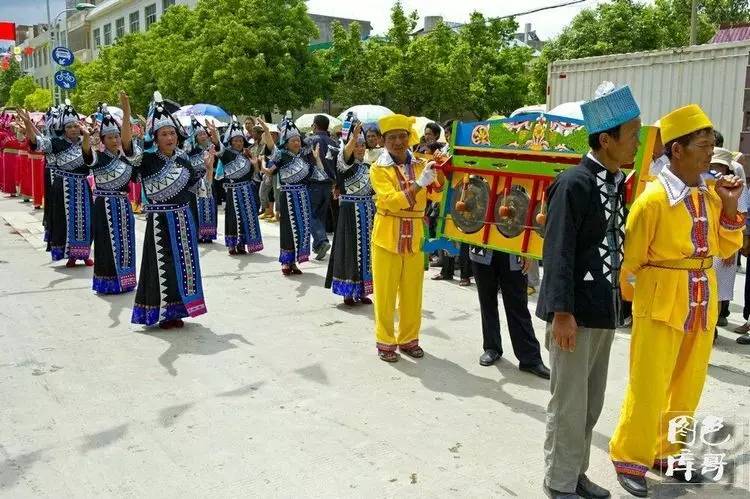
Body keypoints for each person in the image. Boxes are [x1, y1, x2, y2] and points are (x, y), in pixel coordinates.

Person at [609, 105, 744, 497]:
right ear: (677, 150)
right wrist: (638, 300)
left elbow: (728, 245)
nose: (710, 153)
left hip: (701, 298)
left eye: (711, 144)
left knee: (688, 384)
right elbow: (630, 261)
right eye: (702, 145)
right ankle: (629, 455)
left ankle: (666, 452)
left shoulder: (711, 195)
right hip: (660, 298)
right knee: (649, 383)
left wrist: (732, 205)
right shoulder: (652, 200)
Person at [535, 82, 641, 499]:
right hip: (573, 316)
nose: (637, 142)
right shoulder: (572, 184)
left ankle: (575, 474)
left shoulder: (618, 183)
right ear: (606, 139)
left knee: (590, 405)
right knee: (568, 405)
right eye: (632, 134)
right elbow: (557, 252)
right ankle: (558, 483)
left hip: (603, 311)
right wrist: (562, 313)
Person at [370, 114, 444, 362]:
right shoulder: (378, 168)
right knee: (385, 292)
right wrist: (418, 186)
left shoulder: (423, 164)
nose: (398, 142)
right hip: (387, 234)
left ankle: (409, 339)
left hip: (414, 234)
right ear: (383, 141)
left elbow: (435, 197)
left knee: (413, 291)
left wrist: (440, 176)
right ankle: (385, 340)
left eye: (402, 136)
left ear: (410, 137)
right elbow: (389, 200)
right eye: (392, 138)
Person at [131, 92, 207, 329]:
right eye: (164, 133)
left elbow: (194, 185)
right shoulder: (147, 160)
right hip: (160, 221)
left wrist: (206, 169)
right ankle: (162, 313)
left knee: (183, 266)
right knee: (161, 265)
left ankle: (179, 310)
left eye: (172, 133)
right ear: (155, 137)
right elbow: (129, 154)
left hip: (183, 217)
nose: (170, 137)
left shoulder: (183, 158)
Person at [19, 101, 95, 267]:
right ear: (64, 129)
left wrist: (88, 137)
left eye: (76, 126)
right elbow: (37, 142)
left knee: (86, 220)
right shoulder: (56, 143)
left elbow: (92, 159)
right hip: (64, 186)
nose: (74, 129)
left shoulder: (85, 141)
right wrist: (28, 125)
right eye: (69, 127)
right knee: (65, 221)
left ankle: (84, 254)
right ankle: (71, 255)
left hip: (82, 185)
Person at [470, 247, 550, 379]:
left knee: (518, 306)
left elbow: (532, 225)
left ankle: (530, 358)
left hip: (515, 250)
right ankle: (492, 347)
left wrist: (529, 251)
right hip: (481, 249)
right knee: (487, 301)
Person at [89, 94, 140, 294]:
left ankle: (126, 280)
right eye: (109, 137)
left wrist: (126, 111)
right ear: (102, 140)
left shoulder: (127, 158)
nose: (114, 140)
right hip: (103, 205)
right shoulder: (98, 158)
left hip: (123, 205)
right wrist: (86, 138)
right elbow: (87, 155)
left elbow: (129, 144)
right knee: (105, 242)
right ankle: (107, 282)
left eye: (117, 136)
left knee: (125, 240)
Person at [324, 122, 375, 306]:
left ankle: (362, 290)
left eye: (362, 144)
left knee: (367, 251)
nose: (360, 148)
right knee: (349, 249)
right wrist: (352, 138)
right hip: (349, 213)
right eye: (356, 145)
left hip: (368, 212)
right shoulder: (344, 166)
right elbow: (345, 155)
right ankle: (348, 291)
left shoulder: (369, 167)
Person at [266, 117, 320, 275]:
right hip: (288, 195)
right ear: (286, 142)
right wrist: (267, 132)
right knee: (288, 229)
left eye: (298, 140)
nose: (296, 143)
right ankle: (286, 261)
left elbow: (315, 174)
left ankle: (295, 261)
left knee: (302, 228)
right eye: (293, 141)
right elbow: (271, 147)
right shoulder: (282, 155)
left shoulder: (304, 157)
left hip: (303, 195)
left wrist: (316, 159)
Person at [709, 147, 747, 338]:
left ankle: (712, 326)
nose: (717, 169)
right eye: (714, 165)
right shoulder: (702, 182)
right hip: (706, 245)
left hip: (724, 246)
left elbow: (741, 217)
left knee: (716, 291)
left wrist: (732, 250)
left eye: (720, 166)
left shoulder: (736, 187)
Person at [214, 116, 263, 255]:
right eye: (235, 140)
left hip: (247, 190)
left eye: (241, 140)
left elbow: (256, 177)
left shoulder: (248, 155)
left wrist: (255, 165)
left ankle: (242, 244)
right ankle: (231, 244)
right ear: (231, 142)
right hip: (233, 191)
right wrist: (215, 137)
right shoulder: (227, 154)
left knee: (246, 217)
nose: (239, 143)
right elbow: (219, 148)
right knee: (233, 217)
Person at [306, 114, 339, 260]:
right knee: (320, 215)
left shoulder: (309, 141)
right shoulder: (335, 143)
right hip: (329, 184)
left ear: (314, 125)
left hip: (313, 182)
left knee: (310, 213)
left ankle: (322, 240)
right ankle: (318, 245)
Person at [186, 118, 217, 243]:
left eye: (204, 133)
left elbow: (218, 144)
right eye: (200, 134)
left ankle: (208, 234)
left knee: (209, 206)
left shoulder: (210, 148)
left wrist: (213, 132)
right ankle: (197, 233)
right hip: (194, 183)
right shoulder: (189, 151)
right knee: (195, 208)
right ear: (195, 137)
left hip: (208, 180)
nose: (203, 136)